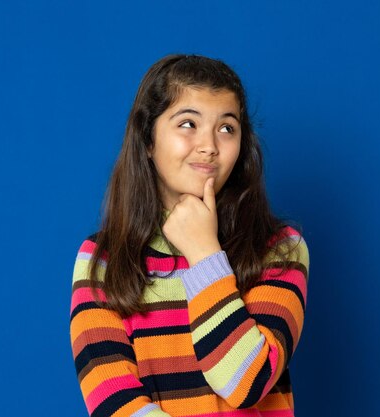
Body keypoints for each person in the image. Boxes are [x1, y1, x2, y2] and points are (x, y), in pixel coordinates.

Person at [70, 54, 310, 417]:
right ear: (148, 140)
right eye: (187, 124)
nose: (209, 146)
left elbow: (246, 382)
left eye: (226, 128)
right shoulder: (102, 259)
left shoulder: (280, 250)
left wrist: (204, 254)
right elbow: (114, 405)